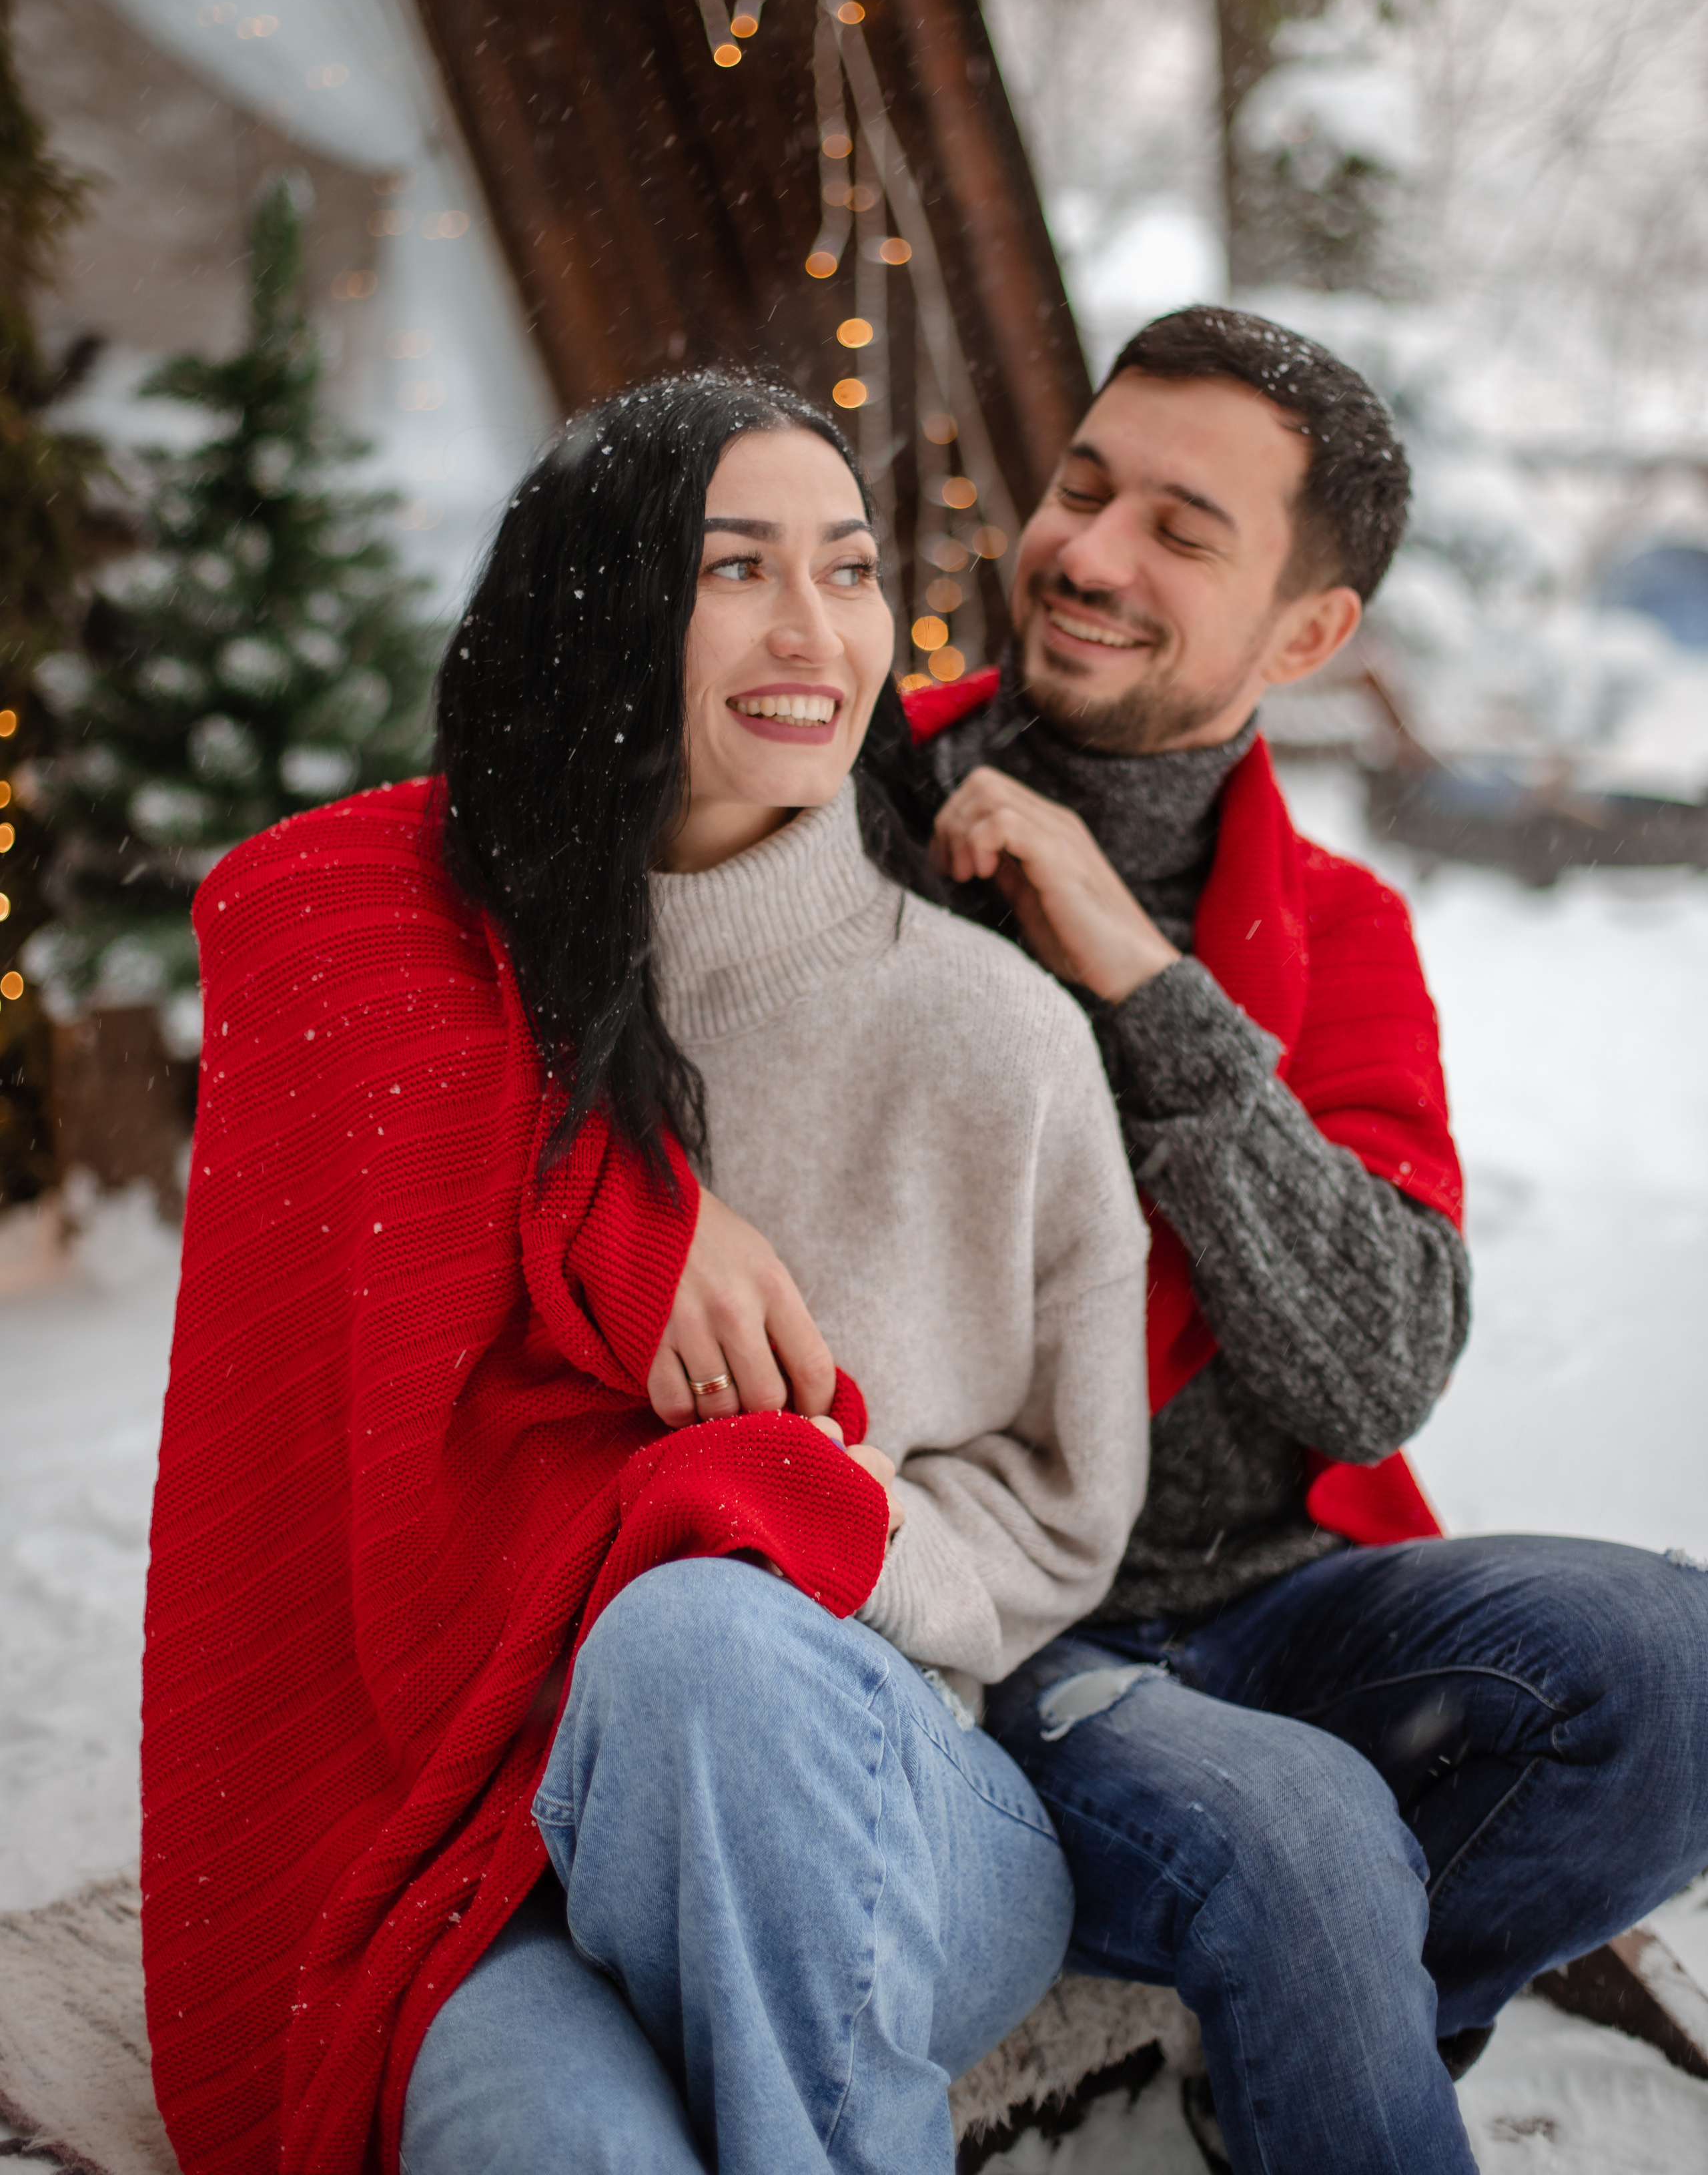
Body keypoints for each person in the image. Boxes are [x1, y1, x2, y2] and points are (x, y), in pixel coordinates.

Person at [141, 371, 1150, 2175]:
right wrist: (611, 1194)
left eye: (847, 571)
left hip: (884, 1798)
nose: (813, 629)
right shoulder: (456, 986)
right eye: (733, 567)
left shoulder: (991, 1031)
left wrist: (796, 1519)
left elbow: (1067, 1517)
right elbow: (278, 894)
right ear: (605, 605)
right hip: (493, 1835)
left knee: (697, 1638)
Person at [845, 303, 1708, 2174]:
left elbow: (1376, 1361)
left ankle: (1304, 2046)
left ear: (1310, 636)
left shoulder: (1338, 932)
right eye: (1085, 486)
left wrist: (1144, 978)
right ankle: (1319, 1992)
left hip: (1277, 1596)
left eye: (1182, 529)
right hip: (995, 1625)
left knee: (1676, 1659)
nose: (1084, 552)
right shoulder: (854, 814)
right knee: (1301, 1833)